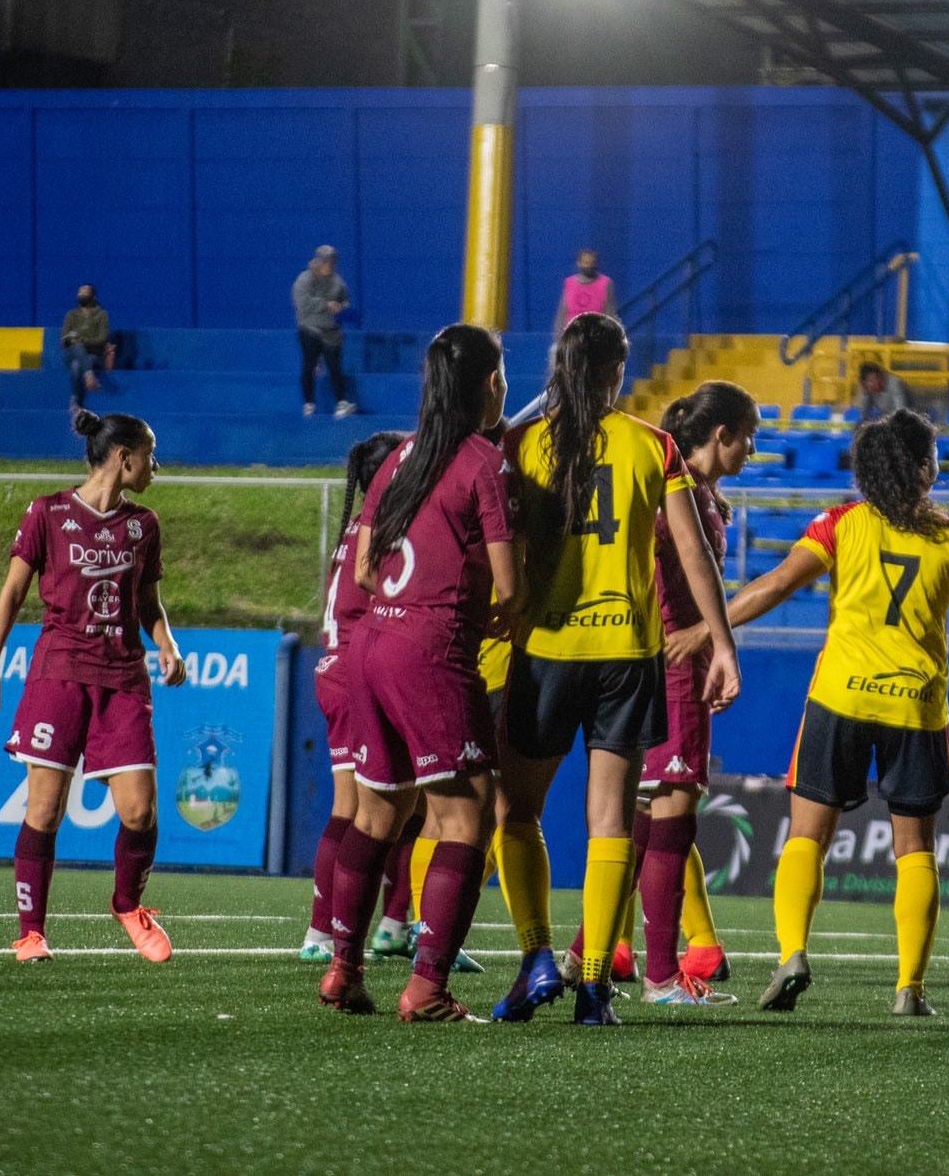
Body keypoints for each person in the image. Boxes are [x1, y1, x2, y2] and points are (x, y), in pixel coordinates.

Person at [719, 409, 949, 1017]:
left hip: (840, 697)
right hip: (917, 708)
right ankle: (909, 987)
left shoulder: (841, 525)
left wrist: (709, 626)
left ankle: (793, 954)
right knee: (915, 850)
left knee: (806, 837)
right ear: (925, 468)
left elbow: (773, 585)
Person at [491, 313, 742, 1027]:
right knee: (610, 824)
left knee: (517, 813)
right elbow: (694, 555)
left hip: (545, 649)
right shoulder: (652, 446)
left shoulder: (522, 443)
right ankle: (595, 987)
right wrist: (721, 643)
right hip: (629, 656)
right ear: (616, 373)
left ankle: (537, 956)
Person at [318, 324, 517, 1022]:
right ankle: (427, 987)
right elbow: (510, 585)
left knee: (377, 811)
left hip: (369, 646)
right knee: (466, 818)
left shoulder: (399, 457)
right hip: (430, 655)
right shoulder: (484, 463)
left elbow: (366, 568)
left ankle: (343, 970)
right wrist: (496, 616)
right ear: (489, 384)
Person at [562, 380, 761, 1005]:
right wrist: (684, 634)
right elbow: (640, 563)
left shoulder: (700, 493)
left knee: (647, 818)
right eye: (748, 436)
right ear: (721, 434)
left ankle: (580, 952)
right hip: (673, 666)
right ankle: (660, 976)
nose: (752, 450)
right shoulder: (678, 494)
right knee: (672, 809)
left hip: (673, 660)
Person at [0, 408, 187, 966]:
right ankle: (31, 933)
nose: (155, 466)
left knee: (140, 812)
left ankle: (127, 905)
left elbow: (148, 604)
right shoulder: (47, 513)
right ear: (125, 457)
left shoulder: (144, 525)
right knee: (44, 809)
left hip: (123, 680)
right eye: (150, 455)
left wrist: (167, 641)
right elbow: (13, 593)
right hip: (59, 673)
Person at [299, 430, 406, 962]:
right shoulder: (388, 530)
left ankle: (335, 931)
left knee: (373, 806)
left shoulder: (354, 528)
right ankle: (387, 925)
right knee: (404, 804)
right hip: (362, 674)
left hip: (337, 669)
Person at [294, 245, 355, 419]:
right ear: (319, 262)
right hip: (310, 328)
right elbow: (302, 303)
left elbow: (345, 300)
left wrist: (342, 307)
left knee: (335, 367)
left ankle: (341, 402)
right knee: (309, 364)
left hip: (331, 332)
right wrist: (326, 304)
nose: (329, 265)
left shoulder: (338, 282)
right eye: (326, 262)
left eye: (332, 262)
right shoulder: (304, 280)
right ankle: (309, 403)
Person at [61, 285, 110, 410]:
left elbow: (101, 339)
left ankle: (76, 401)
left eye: (85, 292)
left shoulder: (102, 315)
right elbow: (64, 340)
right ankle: (89, 375)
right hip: (72, 353)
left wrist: (82, 340)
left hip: (94, 354)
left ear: (93, 296)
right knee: (77, 348)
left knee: (76, 366)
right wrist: (78, 342)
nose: (81, 294)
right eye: (80, 292)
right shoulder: (71, 315)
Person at [551, 248, 617, 337]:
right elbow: (562, 313)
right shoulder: (569, 283)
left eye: (592, 262)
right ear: (578, 264)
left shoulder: (606, 283)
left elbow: (610, 313)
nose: (589, 266)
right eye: (586, 263)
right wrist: (558, 339)